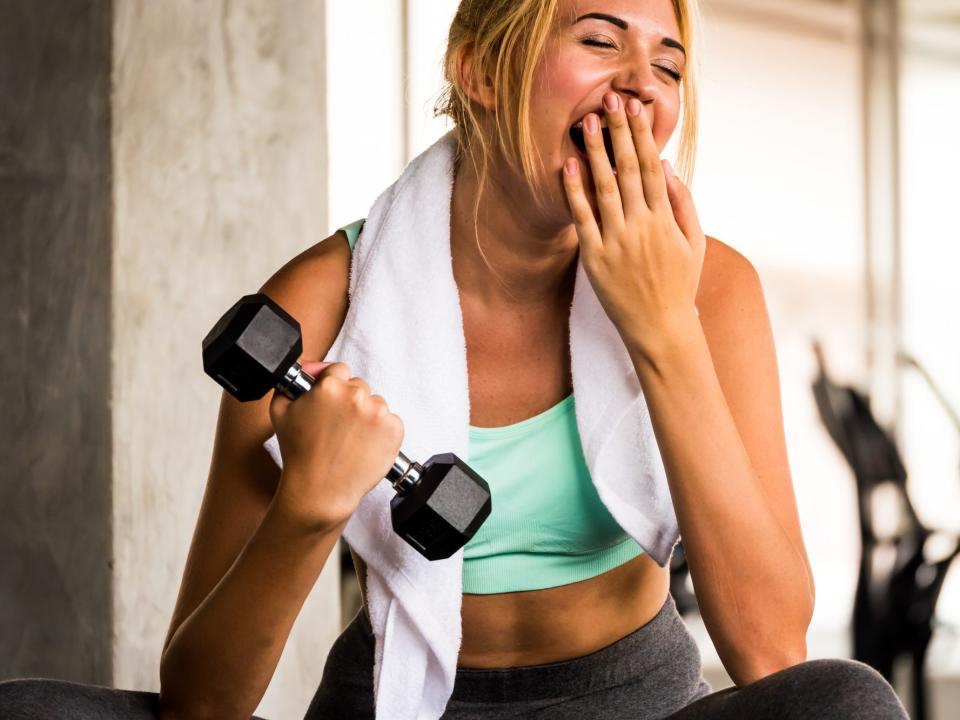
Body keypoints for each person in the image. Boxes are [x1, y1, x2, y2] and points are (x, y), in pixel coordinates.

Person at [154, 1, 910, 718]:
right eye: (600, 42)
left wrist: (663, 331)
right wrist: (306, 510)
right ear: (480, 70)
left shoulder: (712, 288)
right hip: (398, 702)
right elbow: (201, 703)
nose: (642, 84)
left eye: (669, 67)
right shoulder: (319, 304)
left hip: (636, 701)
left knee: (845, 703)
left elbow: (773, 652)